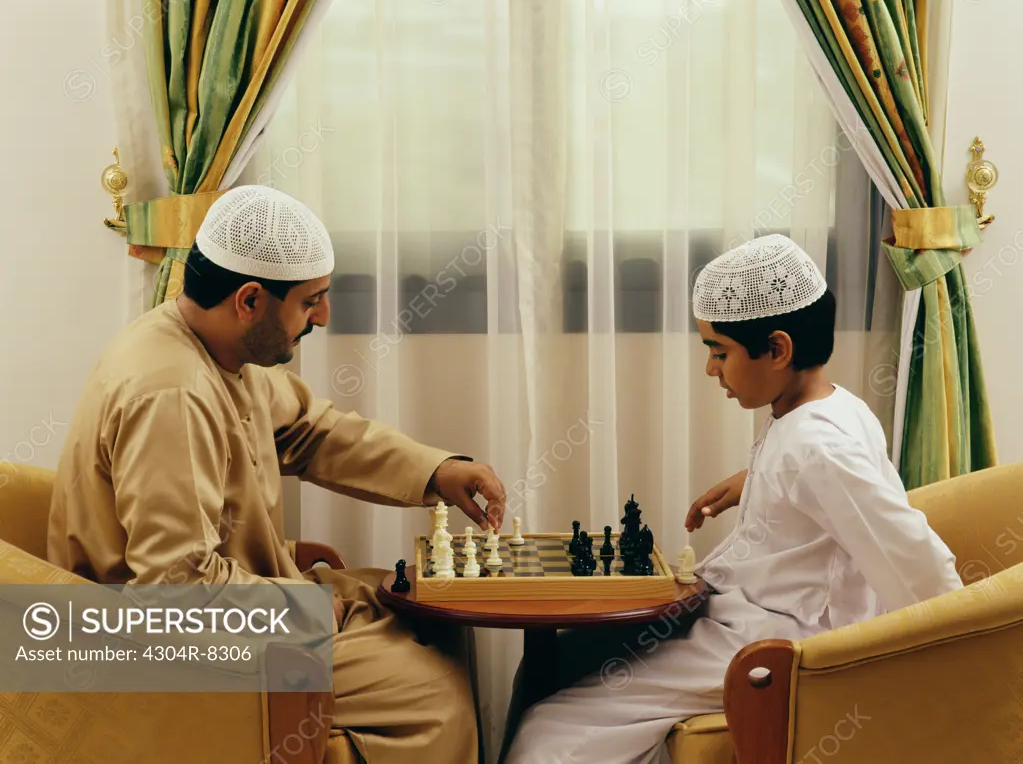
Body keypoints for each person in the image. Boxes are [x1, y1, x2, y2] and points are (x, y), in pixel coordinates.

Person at [47, 185, 506, 764]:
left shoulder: (217, 349)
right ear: (249, 300)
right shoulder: (171, 393)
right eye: (311, 301)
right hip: (153, 644)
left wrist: (438, 470)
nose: (324, 316)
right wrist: (301, 608)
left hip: (243, 597)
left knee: (433, 618)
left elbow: (312, 431)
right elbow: (174, 584)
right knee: (433, 691)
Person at [502, 234, 963, 764]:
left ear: (778, 349)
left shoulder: (815, 448)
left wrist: (949, 670)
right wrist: (754, 479)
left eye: (719, 352)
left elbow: (921, 568)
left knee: (548, 730)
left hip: (776, 645)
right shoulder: (831, 408)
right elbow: (821, 478)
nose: (710, 369)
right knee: (565, 658)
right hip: (747, 616)